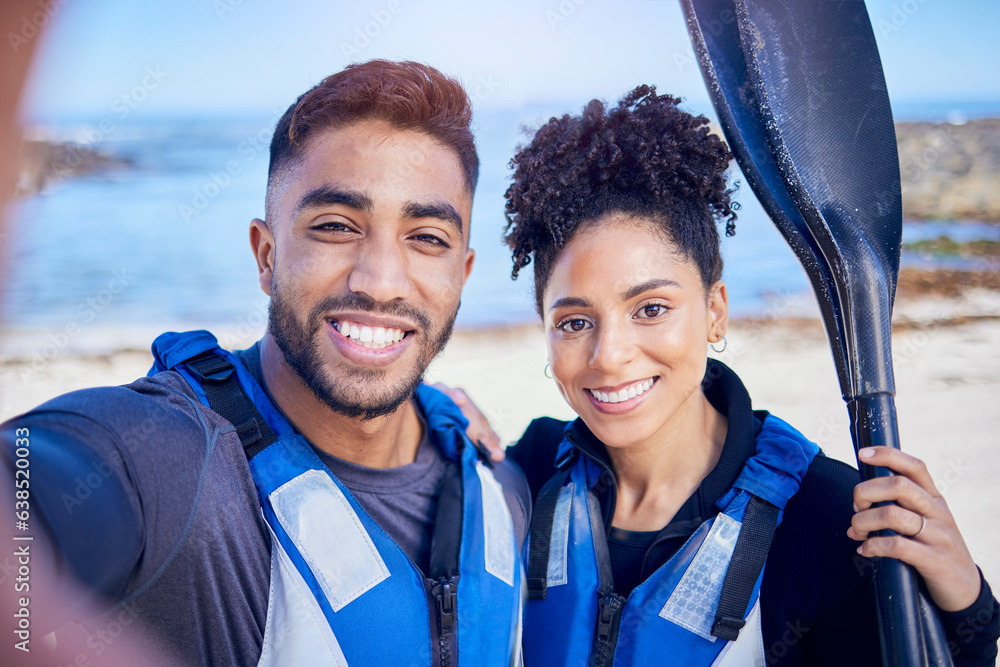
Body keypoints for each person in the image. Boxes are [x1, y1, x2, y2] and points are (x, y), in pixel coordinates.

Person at [444, 86, 999, 665]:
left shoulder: (825, 522)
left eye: (650, 309)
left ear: (715, 311)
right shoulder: (531, 473)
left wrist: (968, 612)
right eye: (575, 321)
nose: (609, 356)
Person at [1, 60, 530, 666]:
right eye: (336, 226)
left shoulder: (503, 486)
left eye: (427, 237)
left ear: (461, 275)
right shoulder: (171, 463)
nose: (381, 282)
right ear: (266, 255)